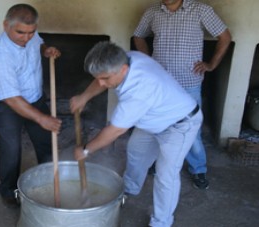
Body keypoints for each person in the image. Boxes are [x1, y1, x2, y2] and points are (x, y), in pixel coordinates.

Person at [70, 41, 202, 227]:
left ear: (123, 69)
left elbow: (115, 130)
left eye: (105, 78)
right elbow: (101, 77)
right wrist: (84, 96)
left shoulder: (139, 89)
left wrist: (85, 150)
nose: (101, 83)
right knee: (136, 152)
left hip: (180, 124)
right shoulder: (128, 58)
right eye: (98, 78)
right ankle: (129, 189)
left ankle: (161, 222)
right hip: (153, 117)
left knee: (166, 176)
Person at [133, 0, 232, 189]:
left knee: (190, 130)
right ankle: (158, 163)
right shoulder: (153, 12)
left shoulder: (201, 10)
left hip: (189, 84)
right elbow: (138, 36)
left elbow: (225, 37)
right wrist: (148, 62)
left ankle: (198, 168)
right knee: (159, 125)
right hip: (161, 84)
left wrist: (211, 64)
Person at [0, 4, 62, 208]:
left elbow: (39, 43)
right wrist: (41, 118)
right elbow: (11, 98)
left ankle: (49, 182)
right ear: (5, 25)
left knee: (46, 143)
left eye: (31, 32)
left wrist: (47, 51)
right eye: (20, 32)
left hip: (34, 97)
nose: (26, 37)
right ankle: (9, 191)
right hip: (8, 105)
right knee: (12, 149)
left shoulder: (31, 35)